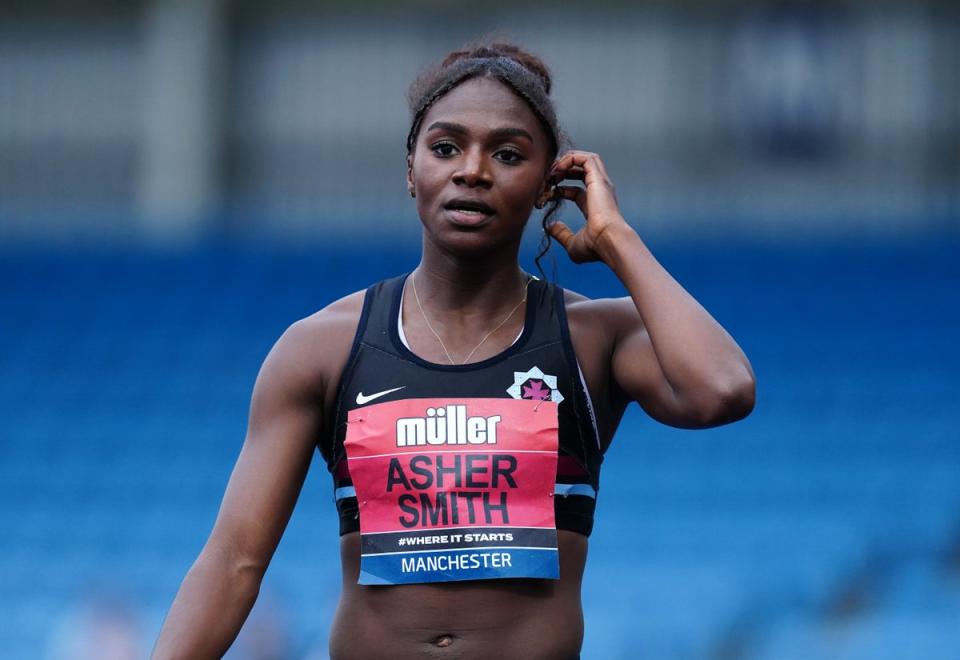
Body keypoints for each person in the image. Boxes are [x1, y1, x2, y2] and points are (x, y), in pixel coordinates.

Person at [151, 40, 755, 660]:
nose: (473, 170)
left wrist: (615, 237)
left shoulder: (596, 338)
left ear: (553, 183)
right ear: (411, 170)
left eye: (509, 154)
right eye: (445, 148)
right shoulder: (320, 348)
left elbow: (722, 390)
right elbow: (233, 563)